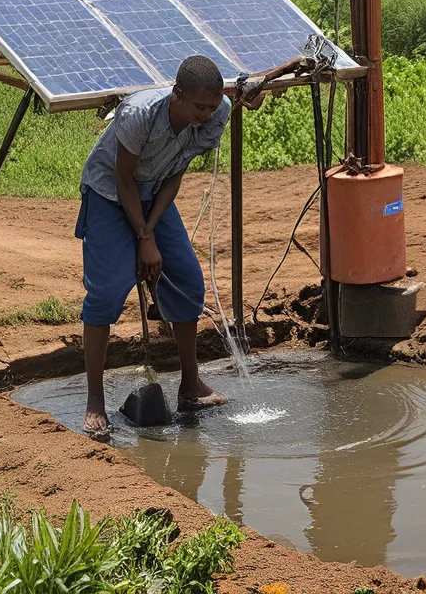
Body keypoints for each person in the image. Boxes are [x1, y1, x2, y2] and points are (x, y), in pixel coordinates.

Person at [76, 52, 313, 440]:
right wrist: (144, 238)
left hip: (154, 192)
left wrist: (149, 230)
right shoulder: (138, 115)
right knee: (108, 289)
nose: (206, 114)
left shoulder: (217, 113)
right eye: (198, 106)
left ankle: (191, 385)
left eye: (211, 105)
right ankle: (95, 403)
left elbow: (175, 173)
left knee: (186, 280)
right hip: (109, 193)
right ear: (177, 94)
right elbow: (122, 177)